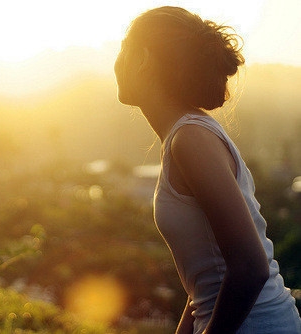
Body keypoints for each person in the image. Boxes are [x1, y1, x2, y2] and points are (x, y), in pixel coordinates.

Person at [114, 6, 301, 334]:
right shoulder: (184, 137)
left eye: (122, 50)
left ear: (141, 58)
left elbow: (249, 268)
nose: (116, 63)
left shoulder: (191, 139)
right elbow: (208, 276)